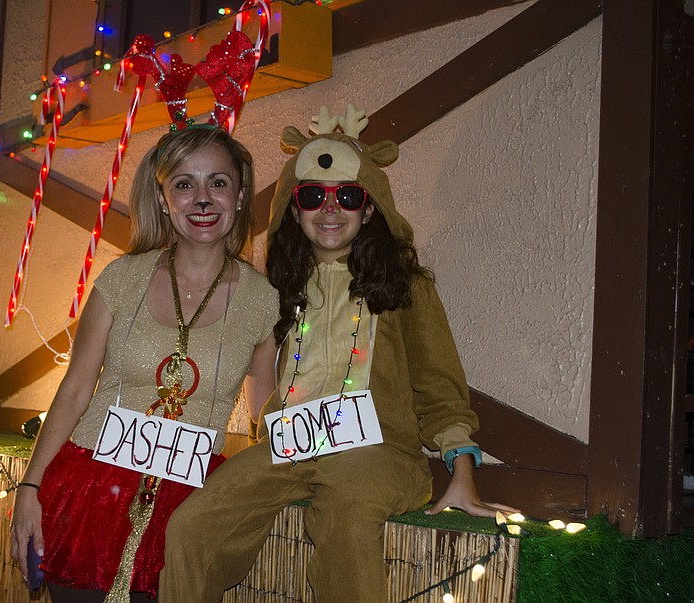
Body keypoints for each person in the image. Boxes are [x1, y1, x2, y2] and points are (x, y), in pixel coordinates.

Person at [159, 104, 518, 602]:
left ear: (369, 208)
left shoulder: (406, 288)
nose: (330, 209)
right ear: (293, 207)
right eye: (312, 196)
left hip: (379, 454)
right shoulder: (277, 288)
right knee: (191, 526)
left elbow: (440, 387)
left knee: (347, 516)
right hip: (289, 447)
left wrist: (460, 471)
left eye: (347, 196)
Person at [9, 126, 279, 603]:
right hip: (89, 490)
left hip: (187, 512)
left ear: (239, 196)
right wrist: (30, 486)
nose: (202, 199)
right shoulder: (121, 279)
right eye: (184, 184)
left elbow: (267, 414)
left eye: (218, 182)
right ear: (163, 197)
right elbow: (74, 391)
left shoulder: (265, 302)